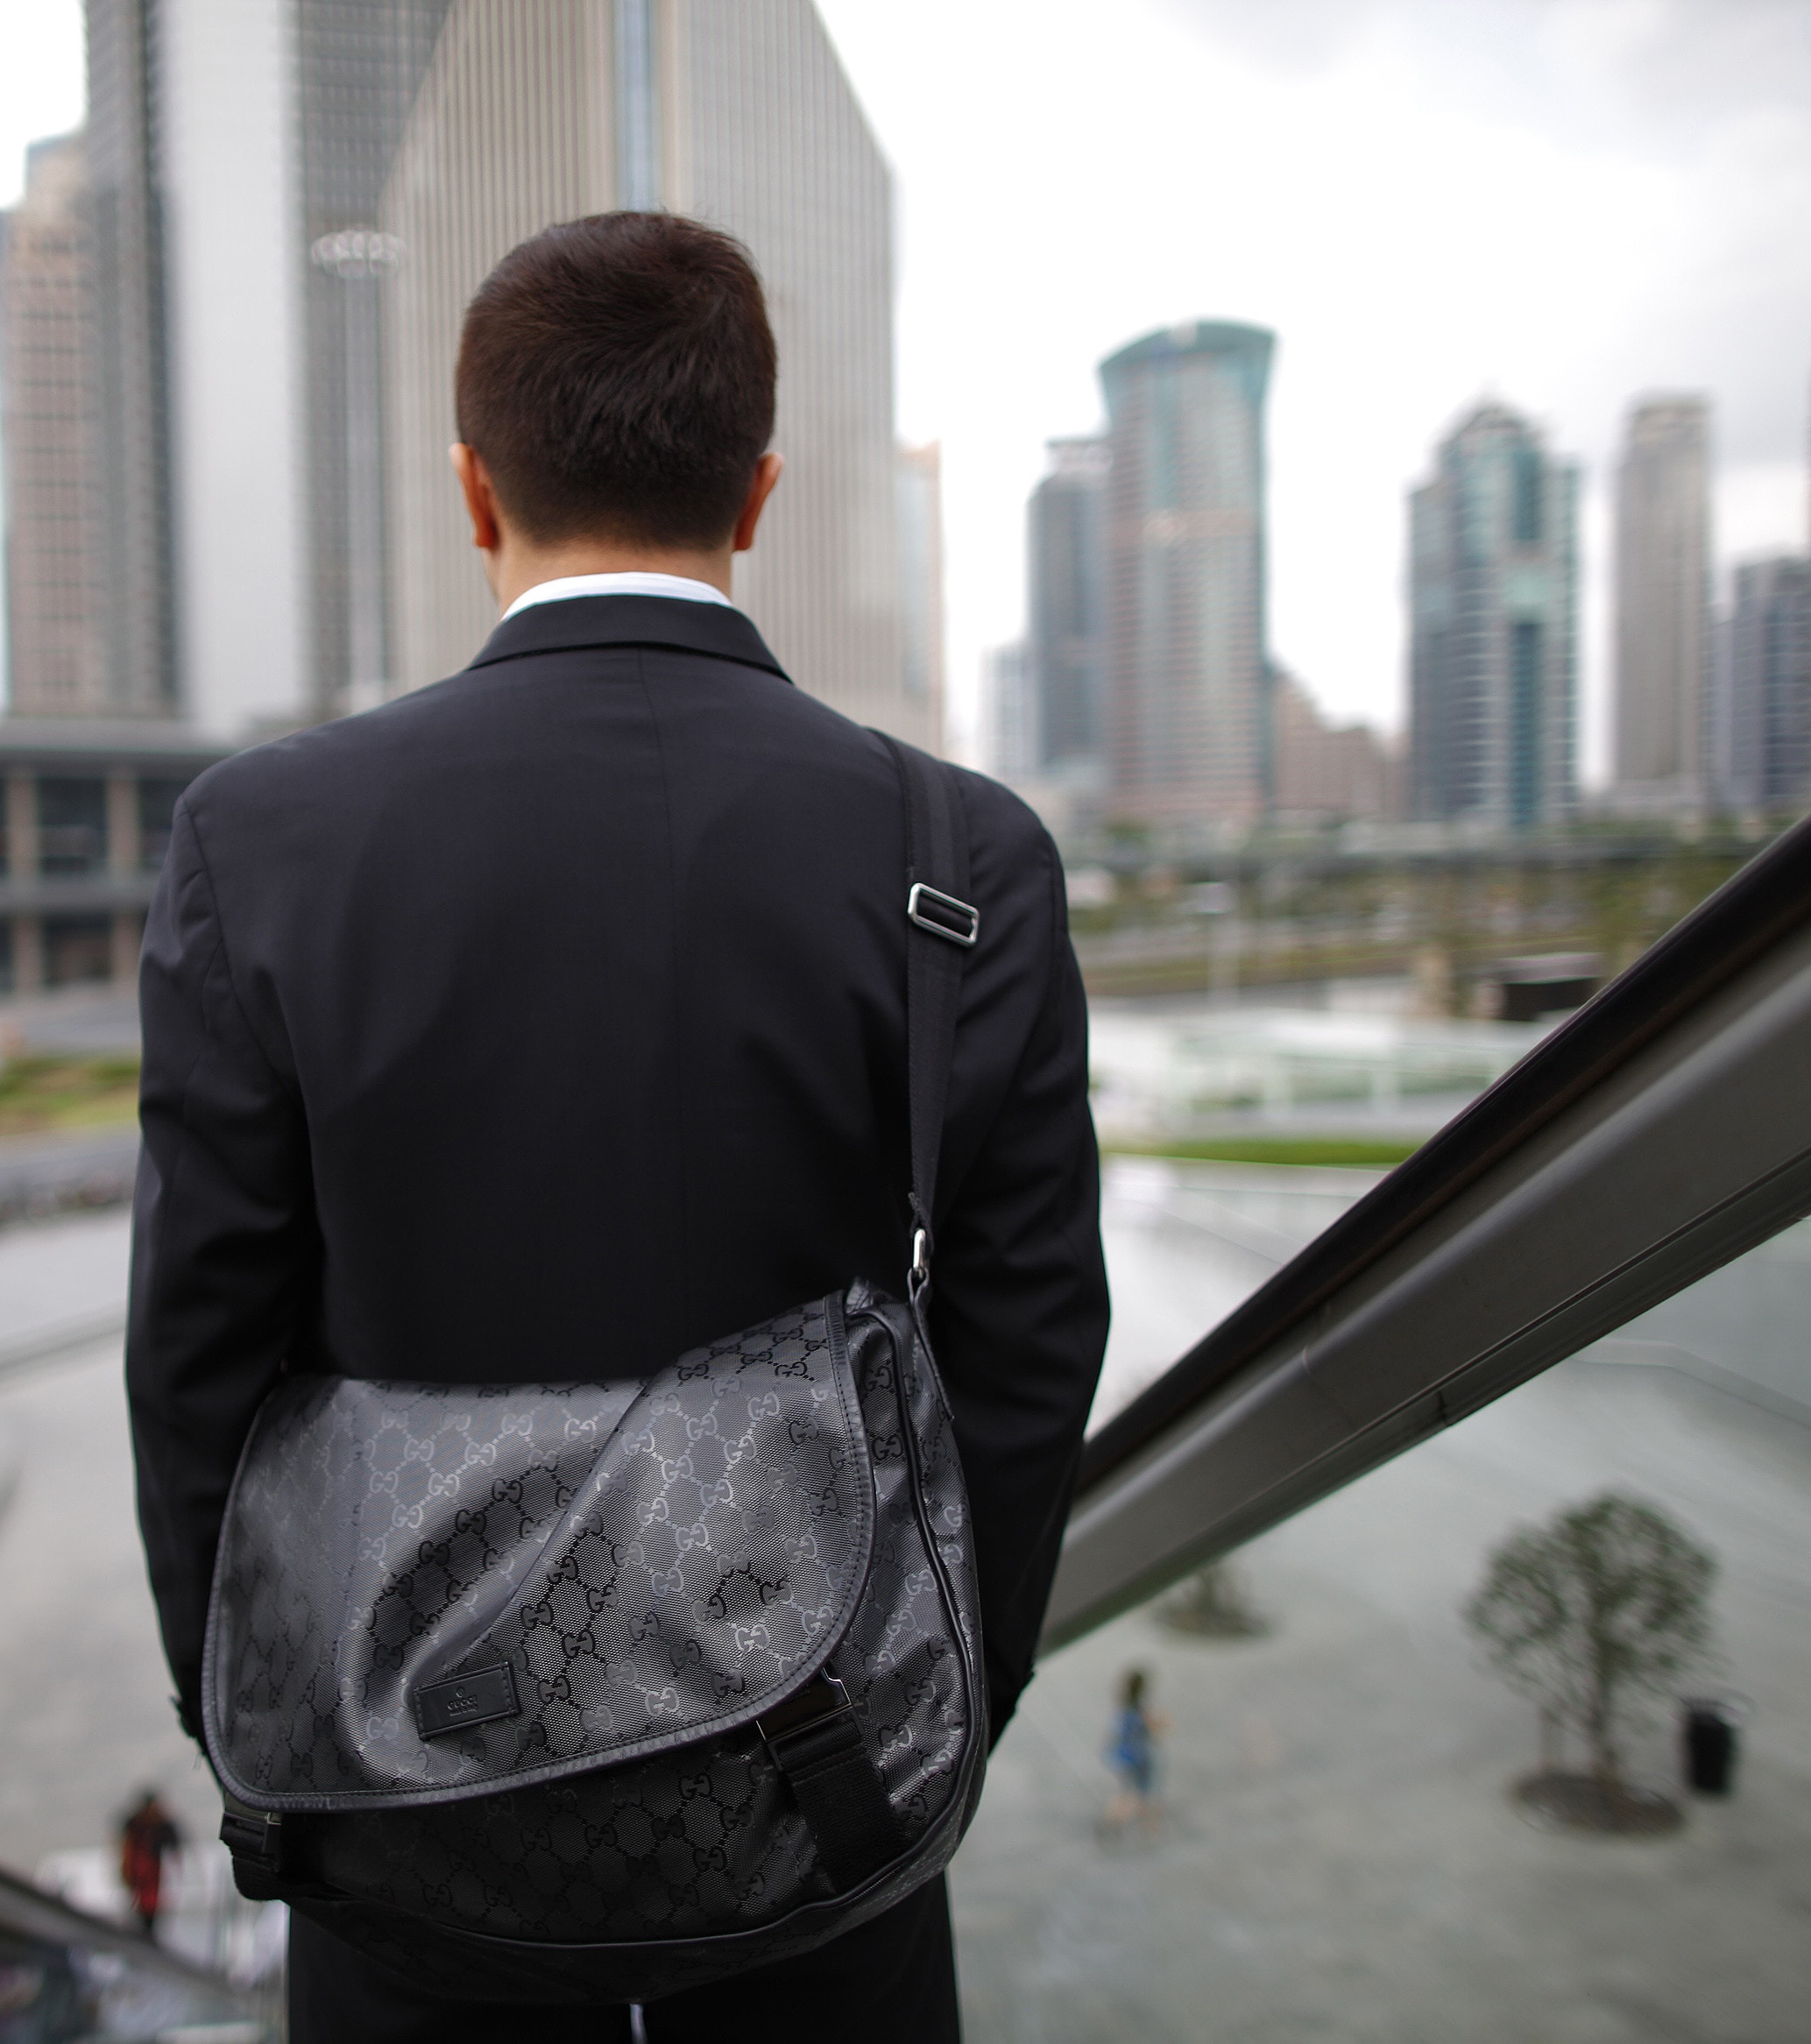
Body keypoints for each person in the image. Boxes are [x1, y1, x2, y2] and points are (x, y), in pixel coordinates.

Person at [125, 211, 1107, 2043]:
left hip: (402, 1797)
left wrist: (254, 1707)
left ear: (473, 490)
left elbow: (199, 1353)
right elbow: (1030, 1341)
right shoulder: (960, 860)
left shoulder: (259, 842)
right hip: (824, 1797)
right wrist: (941, 1683)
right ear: (757, 488)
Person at [1100, 1666, 1168, 1846]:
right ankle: (1149, 1827)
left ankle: (1115, 1821)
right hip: (1139, 1757)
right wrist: (1161, 1723)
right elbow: (1151, 1729)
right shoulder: (1139, 1710)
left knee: (1127, 1792)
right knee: (1142, 1793)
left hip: (1124, 1756)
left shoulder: (1124, 1705)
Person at [118, 1787, 185, 1942]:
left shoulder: (158, 1823)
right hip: (140, 1870)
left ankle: (148, 1933)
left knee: (150, 1903)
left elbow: (173, 1843)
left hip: (151, 1871)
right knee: (143, 1903)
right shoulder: (137, 1824)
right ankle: (145, 1933)